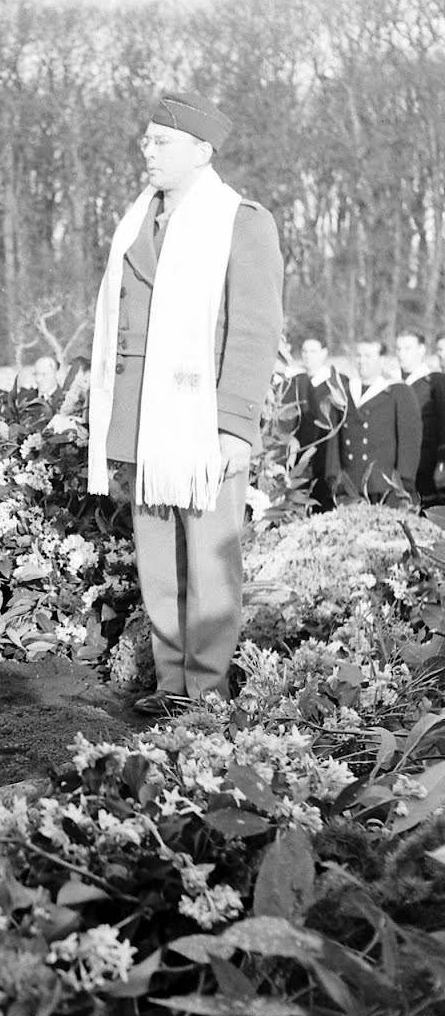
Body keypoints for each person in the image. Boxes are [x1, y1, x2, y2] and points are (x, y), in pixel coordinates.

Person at [86, 91, 283, 715]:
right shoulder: (137, 220)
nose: (146, 151)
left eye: (160, 142)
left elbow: (253, 332)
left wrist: (234, 426)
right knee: (160, 559)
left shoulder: (241, 221)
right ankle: (172, 683)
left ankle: (208, 688)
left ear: (202, 151)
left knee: (208, 558)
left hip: (202, 421)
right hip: (146, 422)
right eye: (146, 140)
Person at [325, 340, 421, 504]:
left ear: (382, 360)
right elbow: (334, 440)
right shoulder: (345, 392)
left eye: (368, 356)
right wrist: (333, 477)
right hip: (350, 486)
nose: (362, 361)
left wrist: (404, 482)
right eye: (359, 356)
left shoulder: (398, 392)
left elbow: (409, 441)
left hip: (385, 487)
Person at [285, 336, 346, 511]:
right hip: (299, 456)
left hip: (325, 454)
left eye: (313, 351)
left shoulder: (335, 383)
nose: (307, 356)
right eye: (304, 351)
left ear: (324, 353)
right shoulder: (295, 383)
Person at [394, 330, 445, 505]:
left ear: (422, 350)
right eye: (398, 348)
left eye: (408, 348)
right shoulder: (393, 385)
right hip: (398, 470)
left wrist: (441, 460)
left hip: (427, 467)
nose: (402, 354)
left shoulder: (435, 382)